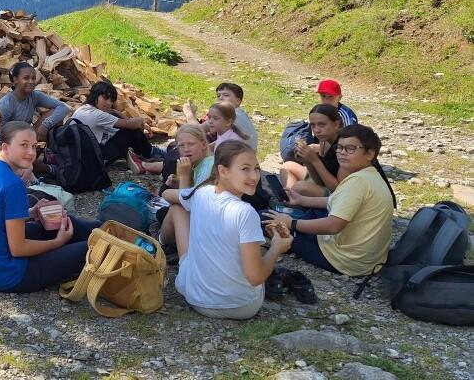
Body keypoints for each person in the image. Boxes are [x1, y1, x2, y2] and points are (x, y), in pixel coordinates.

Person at [0, 121, 100, 293]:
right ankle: (114, 237)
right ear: (5, 147)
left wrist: (30, 212)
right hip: (9, 275)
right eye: (24, 145)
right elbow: (18, 249)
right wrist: (58, 242)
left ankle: (105, 229)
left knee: (58, 224)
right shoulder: (12, 184)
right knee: (91, 249)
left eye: (34, 146)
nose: (31, 153)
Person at [162, 140, 292, 320]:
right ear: (223, 171)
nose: (254, 177)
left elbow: (166, 194)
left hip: (194, 297)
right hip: (240, 307)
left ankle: (162, 243)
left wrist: (183, 191)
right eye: (245, 169)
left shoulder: (201, 192)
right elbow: (255, 278)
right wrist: (277, 247)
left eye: (256, 169)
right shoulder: (246, 212)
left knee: (177, 208)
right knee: (255, 259)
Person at [265, 125, 395, 277]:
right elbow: (337, 200)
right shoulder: (369, 175)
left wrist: (291, 223)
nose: (341, 153)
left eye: (350, 148)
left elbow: (333, 226)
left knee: (264, 218)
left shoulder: (358, 182)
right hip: (366, 260)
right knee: (311, 212)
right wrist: (303, 200)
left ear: (370, 153)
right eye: (339, 148)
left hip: (342, 260)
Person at [72, 80, 155, 168]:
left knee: (124, 130)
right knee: (131, 132)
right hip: (94, 157)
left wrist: (115, 111)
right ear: (95, 95)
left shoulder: (83, 109)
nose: (109, 103)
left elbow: (117, 115)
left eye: (111, 100)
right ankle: (150, 153)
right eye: (105, 98)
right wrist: (141, 120)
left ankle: (144, 154)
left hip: (81, 153)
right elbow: (132, 124)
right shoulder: (98, 115)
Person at [157, 124, 215, 245]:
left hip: (207, 222)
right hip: (200, 214)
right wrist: (177, 183)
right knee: (163, 212)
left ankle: (162, 243)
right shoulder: (198, 164)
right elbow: (190, 193)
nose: (186, 149)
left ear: (204, 145)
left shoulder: (208, 165)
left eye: (191, 144)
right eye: (181, 146)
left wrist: (184, 175)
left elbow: (186, 202)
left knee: (173, 208)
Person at [0, 62, 70, 141]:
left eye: (33, 78)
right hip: (10, 141)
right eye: (26, 78)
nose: (31, 81)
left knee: (55, 114)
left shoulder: (35, 96)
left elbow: (63, 107)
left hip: (27, 135)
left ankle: (50, 149)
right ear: (15, 80)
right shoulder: (5, 104)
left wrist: (46, 125)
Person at [279, 104, 342, 194]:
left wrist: (315, 160)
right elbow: (319, 181)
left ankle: (295, 198)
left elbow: (338, 188)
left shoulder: (343, 147)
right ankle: (291, 197)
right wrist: (308, 161)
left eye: (321, 125)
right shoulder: (324, 140)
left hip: (338, 192)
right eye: (313, 125)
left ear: (336, 124)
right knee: (287, 166)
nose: (316, 130)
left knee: (300, 187)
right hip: (325, 183)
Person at [183, 82, 258, 150]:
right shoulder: (241, 113)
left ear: (238, 101)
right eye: (218, 96)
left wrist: (189, 113)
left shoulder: (229, 115)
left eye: (226, 95)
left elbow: (195, 130)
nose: (221, 98)